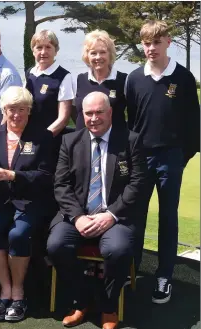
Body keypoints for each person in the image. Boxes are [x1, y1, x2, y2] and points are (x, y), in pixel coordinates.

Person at [46, 92, 148, 329]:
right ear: (82, 115)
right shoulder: (69, 141)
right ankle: (81, 301)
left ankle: (108, 307)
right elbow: (61, 185)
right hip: (76, 216)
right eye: (88, 113)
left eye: (99, 112)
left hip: (115, 217)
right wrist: (78, 217)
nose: (93, 118)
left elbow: (138, 184)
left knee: (118, 250)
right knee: (56, 245)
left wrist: (110, 215)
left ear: (110, 112)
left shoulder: (131, 140)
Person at [126, 20, 200, 304]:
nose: (150, 48)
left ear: (168, 41)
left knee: (168, 218)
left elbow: (193, 123)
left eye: (156, 42)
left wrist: (183, 156)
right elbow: (132, 122)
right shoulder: (134, 78)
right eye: (146, 43)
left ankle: (164, 275)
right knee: (136, 217)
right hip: (141, 158)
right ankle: (129, 269)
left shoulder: (182, 78)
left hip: (171, 157)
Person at [0, 86, 56, 321]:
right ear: (4, 110)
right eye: (11, 109)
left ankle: (19, 293)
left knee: (18, 234)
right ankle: (5, 290)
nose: (16, 115)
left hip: (30, 202)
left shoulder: (42, 137)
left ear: (29, 111)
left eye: (22, 109)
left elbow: (47, 176)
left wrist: (14, 176)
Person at [73, 30, 127, 131]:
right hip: (82, 142)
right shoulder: (79, 80)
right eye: (93, 53)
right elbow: (75, 112)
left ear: (110, 54)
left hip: (115, 142)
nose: (98, 57)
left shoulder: (124, 80)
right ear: (87, 56)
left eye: (103, 52)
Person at [25, 30, 74, 138]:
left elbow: (63, 119)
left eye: (48, 47)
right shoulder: (30, 73)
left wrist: (44, 137)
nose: (43, 52)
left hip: (50, 139)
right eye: (39, 47)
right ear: (33, 51)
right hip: (28, 136)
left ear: (56, 51)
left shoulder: (63, 76)